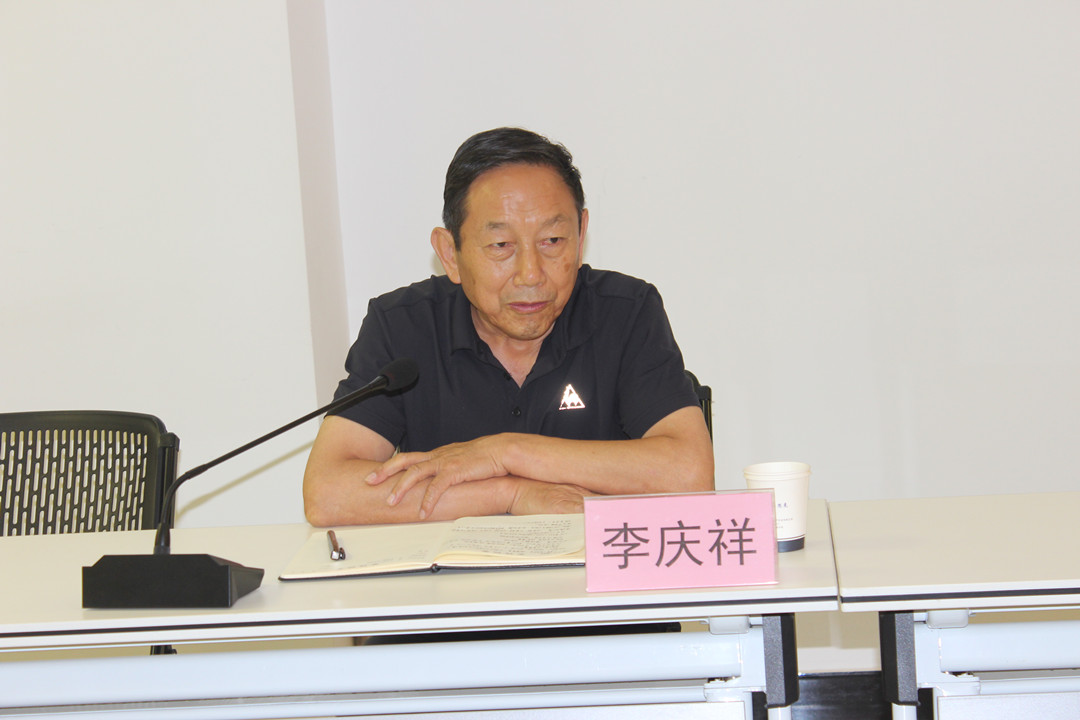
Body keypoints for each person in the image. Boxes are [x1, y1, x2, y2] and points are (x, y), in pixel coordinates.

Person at [303, 127, 713, 527]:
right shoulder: (402, 326)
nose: (531, 274)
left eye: (553, 240)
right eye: (501, 246)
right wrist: (509, 493)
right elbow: (327, 493)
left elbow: (690, 474)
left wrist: (505, 453)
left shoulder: (625, 313)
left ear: (581, 233)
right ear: (450, 254)